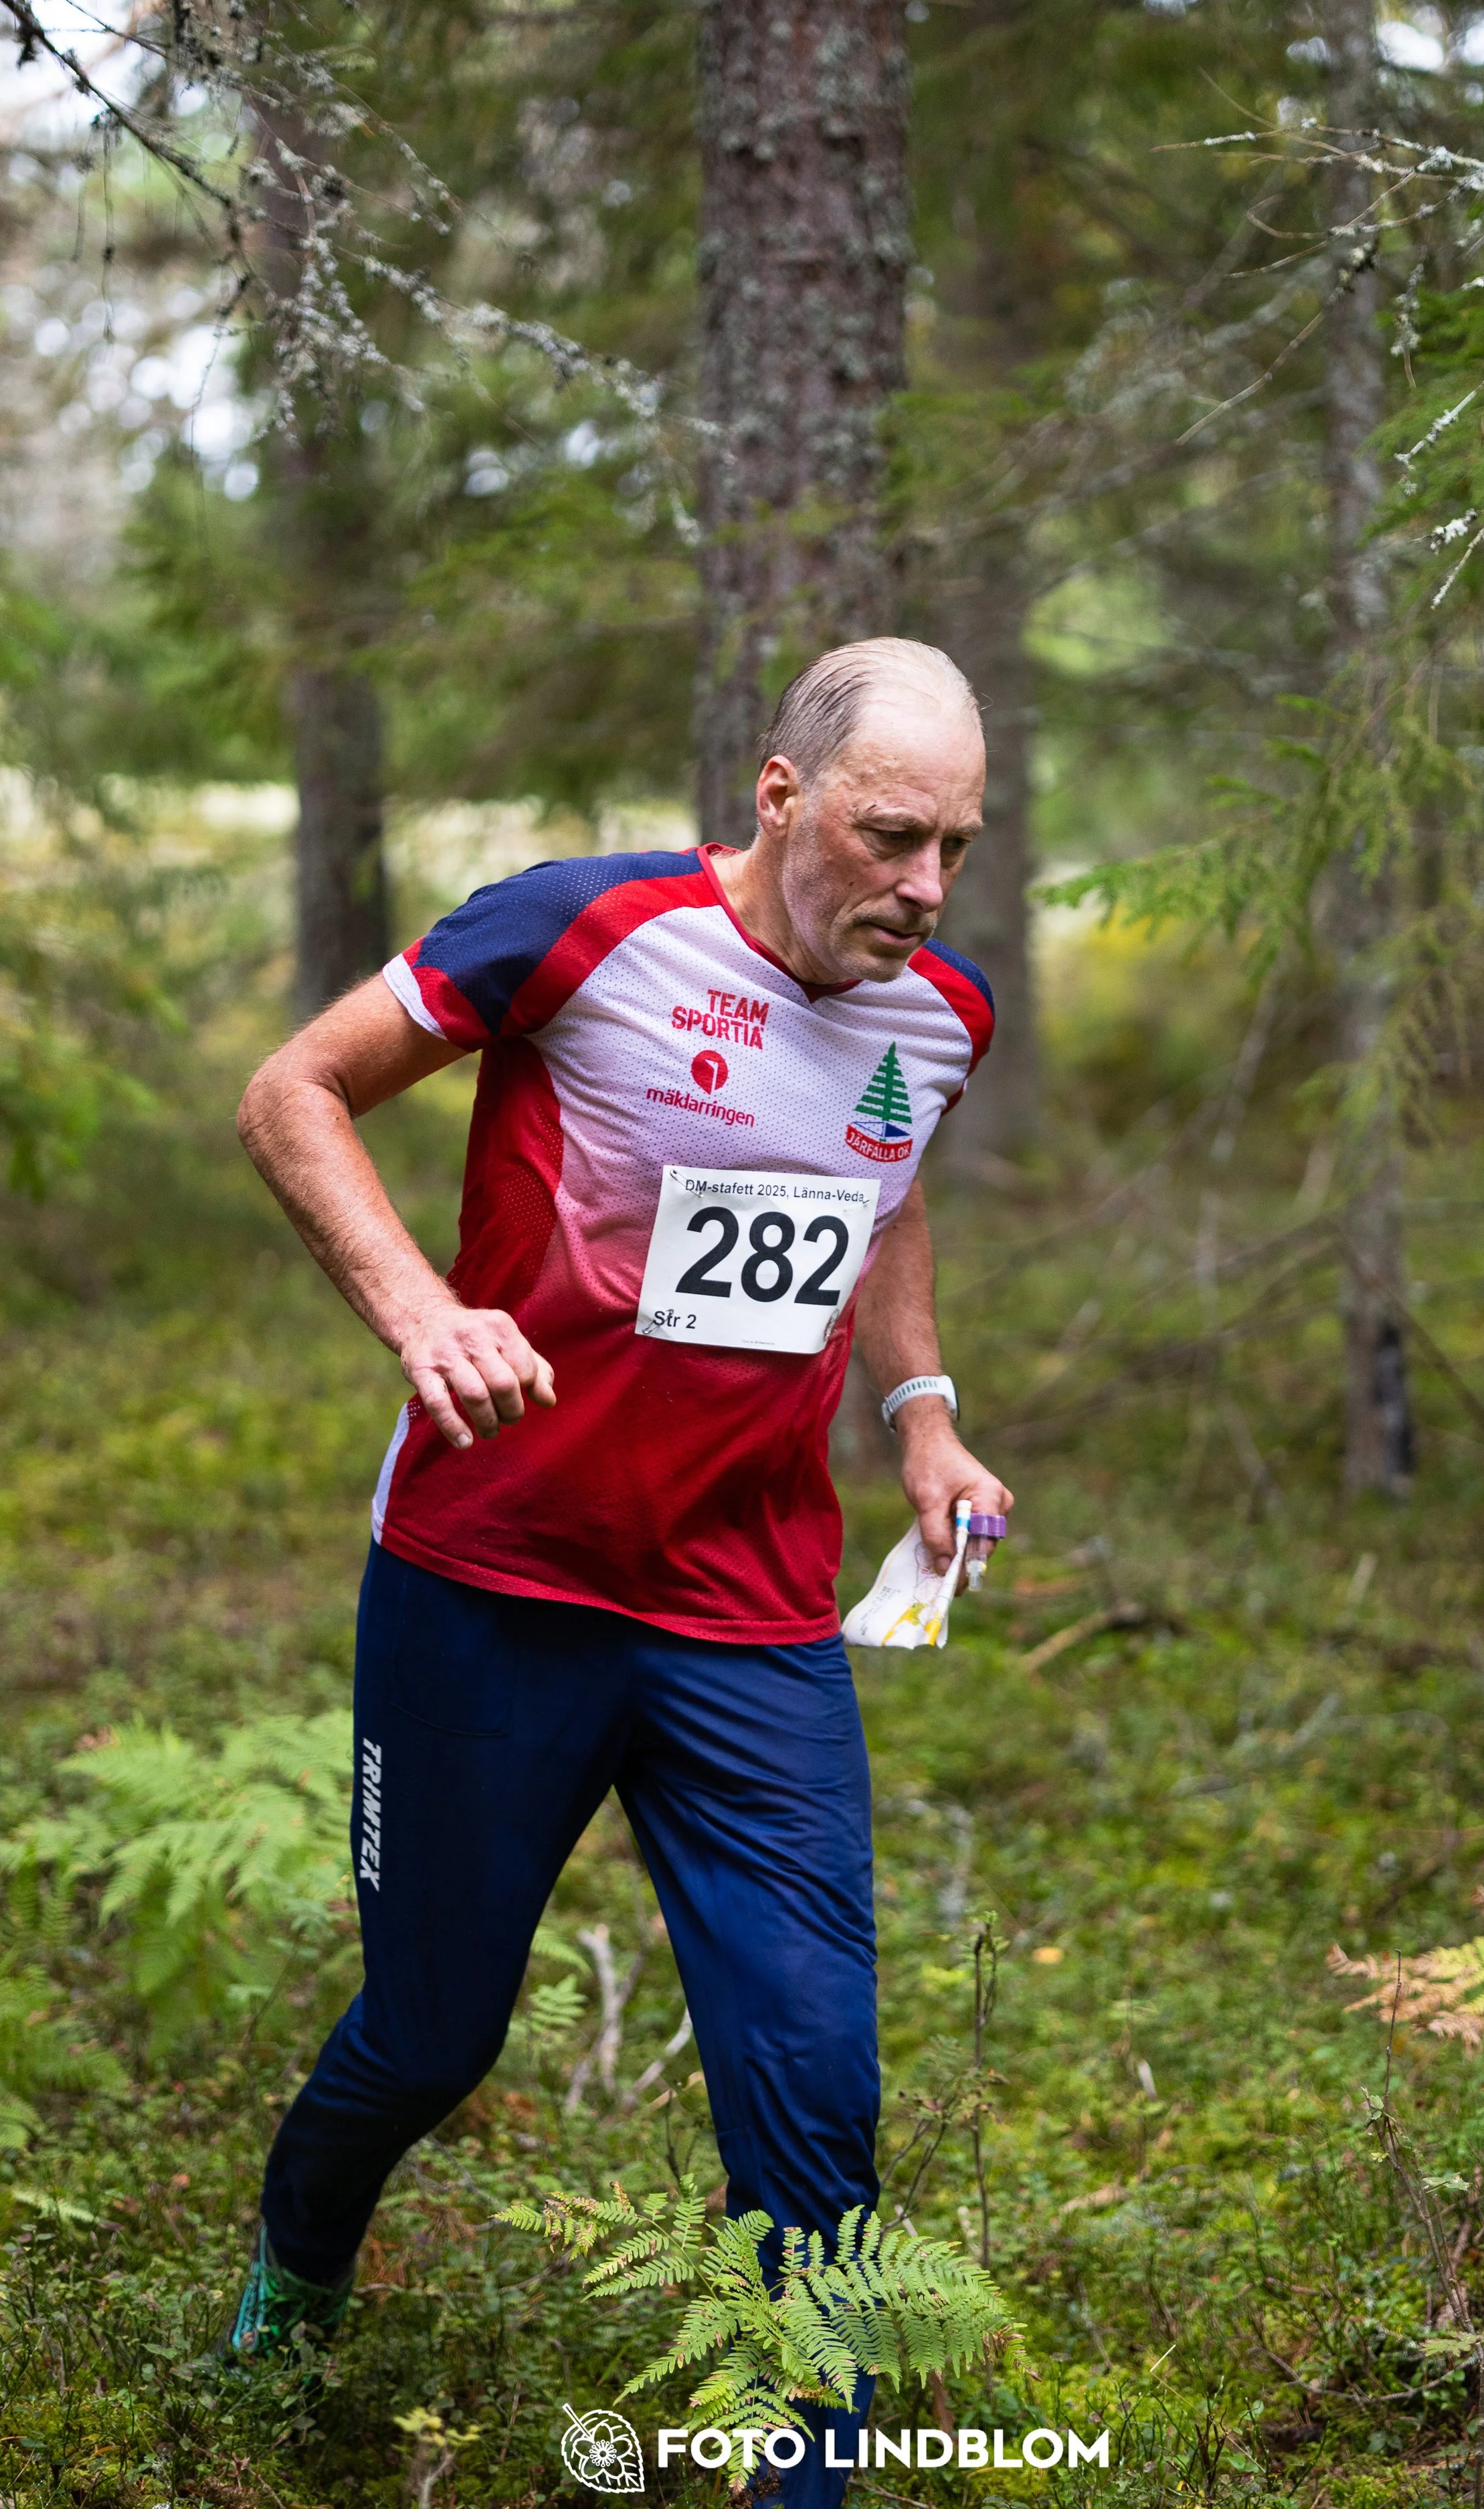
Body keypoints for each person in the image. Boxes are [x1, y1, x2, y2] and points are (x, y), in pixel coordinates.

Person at [229, 636, 1014, 2498]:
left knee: (815, 2072)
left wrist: (921, 1405)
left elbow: (875, 1193)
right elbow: (292, 1092)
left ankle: (803, 2463)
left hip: (745, 1613)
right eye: (888, 834)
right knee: (428, 2038)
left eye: (954, 848)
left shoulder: (937, 1016)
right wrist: (419, 1309)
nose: (920, 886)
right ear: (776, 794)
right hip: (490, 1579)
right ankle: (296, 2264)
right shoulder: (580, 933)